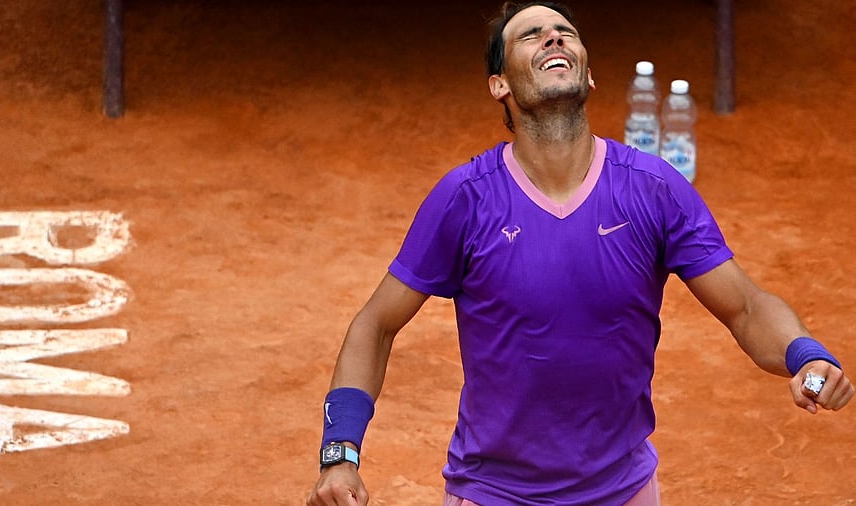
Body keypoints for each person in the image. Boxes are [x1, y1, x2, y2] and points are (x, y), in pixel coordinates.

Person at [306, 2, 854, 505]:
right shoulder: (464, 199)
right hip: (494, 493)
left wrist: (804, 353)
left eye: (565, 32)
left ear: (588, 74)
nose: (553, 38)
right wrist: (340, 456)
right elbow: (375, 325)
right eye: (531, 36)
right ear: (498, 84)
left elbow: (746, 306)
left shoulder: (653, 189)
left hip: (625, 490)